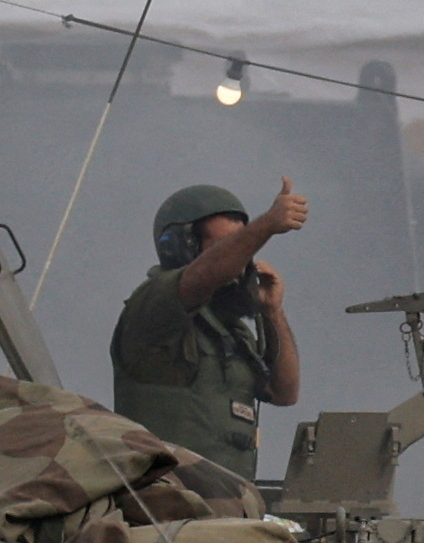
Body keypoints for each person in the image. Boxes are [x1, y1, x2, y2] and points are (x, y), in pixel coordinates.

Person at [110, 180, 307, 479]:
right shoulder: (154, 307)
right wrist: (266, 225)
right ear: (179, 247)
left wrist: (272, 311)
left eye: (244, 248)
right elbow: (200, 276)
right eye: (228, 247)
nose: (240, 260)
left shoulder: (232, 331)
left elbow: (284, 393)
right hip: (164, 499)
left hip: (228, 500)